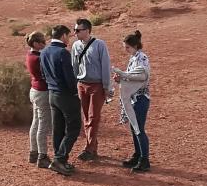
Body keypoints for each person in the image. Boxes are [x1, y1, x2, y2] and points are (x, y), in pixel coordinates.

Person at [39, 25, 82, 176]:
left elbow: (43, 74)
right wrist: (75, 93)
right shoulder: (63, 52)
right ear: (63, 35)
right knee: (74, 127)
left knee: (58, 128)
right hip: (65, 95)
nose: (69, 39)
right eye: (68, 36)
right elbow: (69, 78)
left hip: (52, 94)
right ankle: (59, 159)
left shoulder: (44, 52)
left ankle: (59, 160)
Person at [71, 18, 112, 161]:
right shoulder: (75, 45)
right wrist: (75, 83)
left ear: (87, 30)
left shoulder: (100, 45)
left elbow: (106, 66)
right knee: (87, 118)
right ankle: (93, 148)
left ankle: (89, 149)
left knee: (93, 117)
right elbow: (74, 66)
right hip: (82, 84)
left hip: (97, 85)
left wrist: (107, 87)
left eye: (78, 30)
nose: (75, 33)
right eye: (75, 30)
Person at [112, 30, 151, 173]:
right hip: (134, 99)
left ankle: (144, 160)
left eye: (127, 47)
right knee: (134, 129)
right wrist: (121, 78)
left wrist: (123, 75)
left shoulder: (142, 58)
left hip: (140, 98)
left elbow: (141, 76)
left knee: (139, 129)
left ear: (134, 45)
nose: (126, 50)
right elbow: (131, 76)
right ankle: (138, 155)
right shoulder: (134, 57)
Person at [25, 31, 50, 169]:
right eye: (42, 42)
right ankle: (42, 156)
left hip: (34, 90)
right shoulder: (38, 58)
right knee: (43, 124)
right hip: (42, 92)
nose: (44, 45)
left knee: (36, 122)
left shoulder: (30, 55)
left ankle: (33, 152)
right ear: (35, 43)